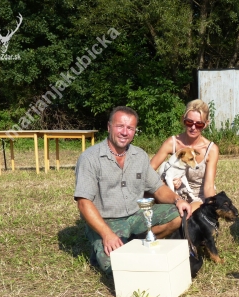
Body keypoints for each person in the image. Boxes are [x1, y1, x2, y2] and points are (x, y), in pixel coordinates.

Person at [74, 106, 192, 276]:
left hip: (137, 215)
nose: (124, 132)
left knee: (177, 215)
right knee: (116, 268)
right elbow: (84, 203)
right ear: (109, 127)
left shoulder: (140, 156)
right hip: (107, 221)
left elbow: (157, 188)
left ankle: (134, 242)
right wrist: (107, 234)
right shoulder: (90, 158)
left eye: (130, 128)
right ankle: (103, 245)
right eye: (120, 126)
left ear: (134, 131)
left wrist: (177, 200)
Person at [150, 99, 219, 210]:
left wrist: (212, 207)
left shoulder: (211, 150)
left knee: (185, 214)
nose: (193, 127)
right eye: (189, 122)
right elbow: (148, 171)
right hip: (172, 195)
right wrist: (164, 182)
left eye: (199, 124)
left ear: (206, 124)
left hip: (196, 197)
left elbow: (209, 186)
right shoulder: (172, 143)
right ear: (183, 120)